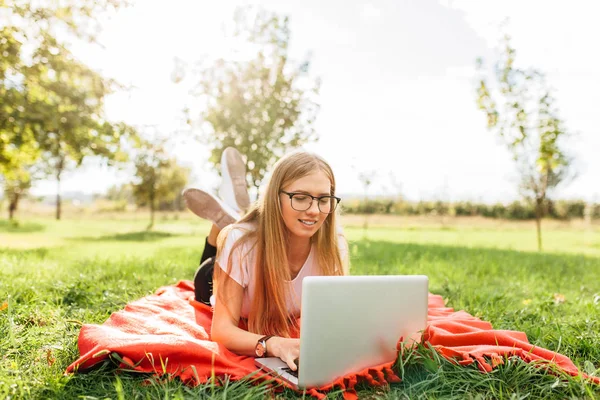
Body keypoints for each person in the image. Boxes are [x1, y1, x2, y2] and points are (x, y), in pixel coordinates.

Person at [183, 149, 348, 372]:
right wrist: (274, 344)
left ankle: (234, 211)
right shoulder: (241, 243)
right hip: (214, 277)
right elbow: (221, 330)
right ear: (274, 197)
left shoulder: (334, 244)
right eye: (300, 198)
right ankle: (222, 227)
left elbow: (335, 317)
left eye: (323, 199)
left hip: (247, 245)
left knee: (237, 236)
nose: (314, 211)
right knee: (217, 258)